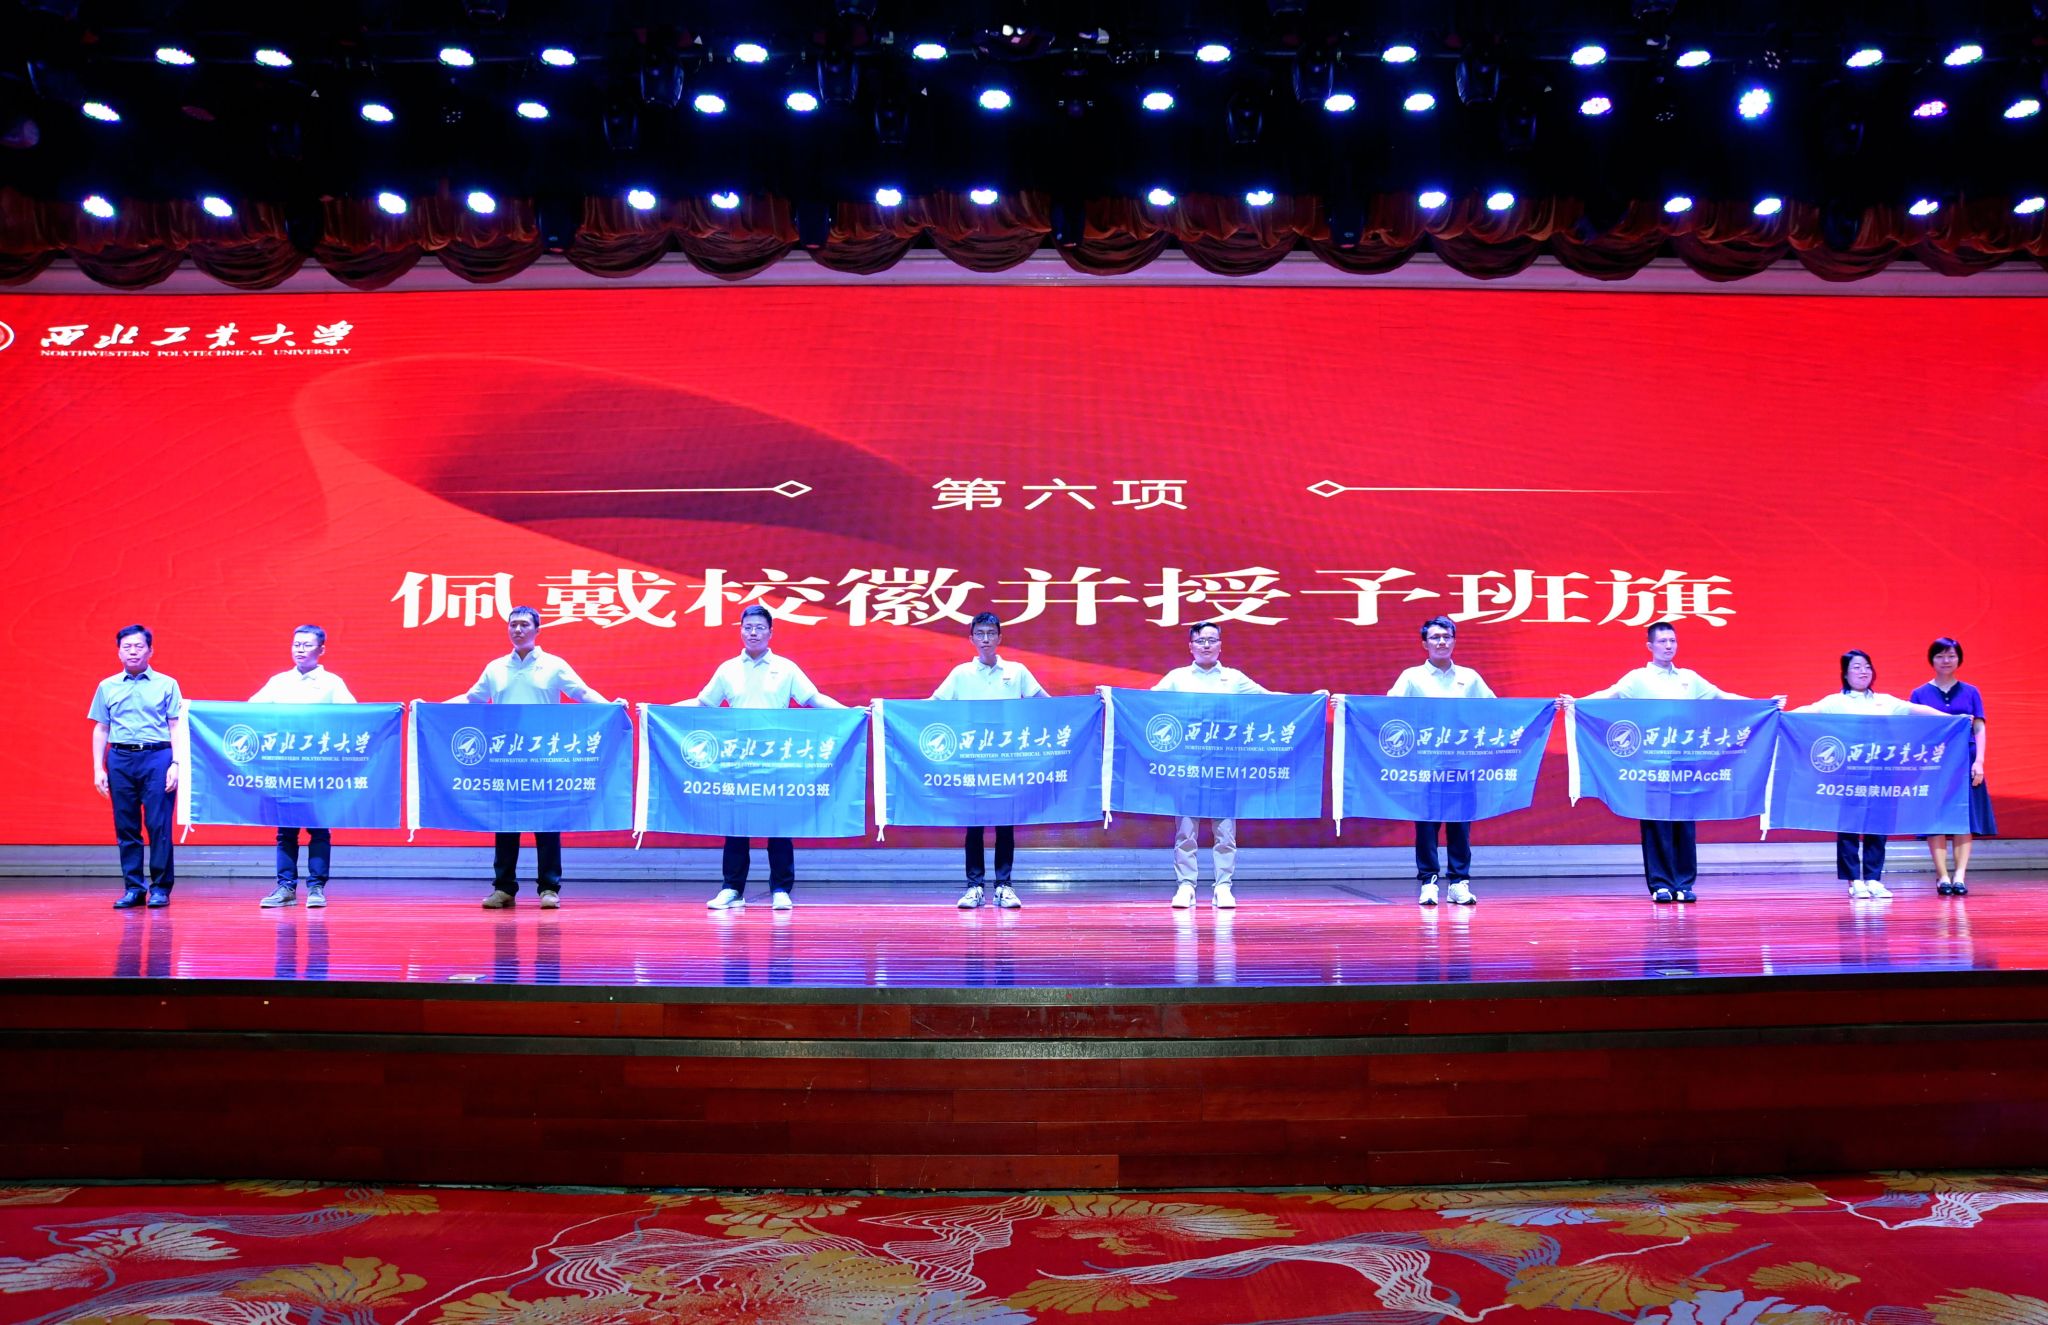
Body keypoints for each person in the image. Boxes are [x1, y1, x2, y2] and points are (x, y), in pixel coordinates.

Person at [1564, 621, 1783, 904]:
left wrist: (1765, 704)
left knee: (1684, 824)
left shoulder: (1689, 679)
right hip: (1652, 764)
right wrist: (1576, 703)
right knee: (1656, 824)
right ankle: (1660, 885)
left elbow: (1723, 698)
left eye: (1673, 641)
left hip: (1685, 763)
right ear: (1650, 646)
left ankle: (1684, 883)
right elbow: (1608, 696)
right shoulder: (1638, 679)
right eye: (1663, 641)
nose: (1669, 646)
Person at [684, 604, 850, 912]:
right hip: (739, 759)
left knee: (779, 827)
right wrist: (658, 710)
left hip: (776, 759)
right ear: (740, 631)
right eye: (748, 627)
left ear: (770, 632)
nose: (753, 633)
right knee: (736, 826)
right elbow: (703, 703)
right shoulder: (728, 669)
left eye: (760, 627)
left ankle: (781, 890)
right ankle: (732, 889)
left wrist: (850, 712)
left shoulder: (786, 668)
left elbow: (813, 699)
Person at [453, 606, 621, 910]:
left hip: (544, 758)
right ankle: (504, 888)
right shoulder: (496, 667)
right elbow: (471, 698)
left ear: (537, 630)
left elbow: (582, 693)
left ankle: (549, 888)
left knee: (547, 823)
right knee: (505, 824)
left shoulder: (553, 665)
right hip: (506, 757)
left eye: (524, 625)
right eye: (513, 625)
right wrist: (429, 707)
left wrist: (611, 706)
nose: (517, 630)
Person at [1792, 650, 1951, 900]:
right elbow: (1807, 712)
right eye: (1856, 667)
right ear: (1845, 674)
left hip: (1881, 772)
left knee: (1878, 824)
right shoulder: (1836, 702)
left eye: (1867, 666)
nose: (1863, 671)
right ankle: (1854, 880)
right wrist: (1777, 715)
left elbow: (1916, 710)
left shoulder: (1884, 701)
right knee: (1849, 827)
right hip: (1850, 774)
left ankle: (1874, 879)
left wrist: (1953, 719)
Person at [932, 611, 1047, 910]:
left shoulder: (1017, 671)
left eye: (991, 633)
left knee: (1005, 825)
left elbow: (1047, 705)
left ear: (1000, 637)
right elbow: (931, 709)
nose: (986, 639)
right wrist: (888, 711)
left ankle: (1004, 886)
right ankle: (974, 887)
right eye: (980, 634)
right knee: (974, 826)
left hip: (1007, 761)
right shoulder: (960, 674)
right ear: (971, 638)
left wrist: (1089, 705)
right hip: (972, 761)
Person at [1154, 621, 1269, 910]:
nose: (1206, 645)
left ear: (1220, 645)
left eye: (1212, 640)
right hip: (1187, 763)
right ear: (1190, 646)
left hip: (1224, 763)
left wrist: (1311, 699)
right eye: (1200, 640)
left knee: (1225, 829)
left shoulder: (1234, 679)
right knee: (1185, 829)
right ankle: (1186, 886)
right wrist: (1111, 696)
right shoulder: (1177, 678)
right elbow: (1145, 701)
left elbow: (1269, 701)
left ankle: (1223, 886)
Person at [1388, 614, 1496, 906]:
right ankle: (1429, 882)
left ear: (1454, 641)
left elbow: (1494, 710)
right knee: (1426, 824)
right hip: (1425, 762)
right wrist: (1349, 705)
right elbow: (1388, 709)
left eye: (1447, 637)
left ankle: (1459, 882)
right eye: (1435, 637)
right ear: (1424, 644)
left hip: (1461, 762)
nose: (1441, 642)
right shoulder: (1412, 677)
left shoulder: (1469, 678)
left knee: (1460, 824)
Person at [251, 624, 357, 909]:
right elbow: (250, 710)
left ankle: (316, 888)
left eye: (307, 645)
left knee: (319, 829)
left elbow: (355, 716)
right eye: (296, 644)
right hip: (284, 768)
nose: (299, 649)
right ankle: (285, 888)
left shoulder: (332, 683)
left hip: (318, 769)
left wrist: (385, 714)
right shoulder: (279, 682)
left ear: (321, 649)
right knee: (286, 831)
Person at [89, 624, 183, 909]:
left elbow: (176, 726)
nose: (133, 651)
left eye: (139, 646)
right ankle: (133, 888)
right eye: (127, 647)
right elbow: (101, 728)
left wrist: (176, 763)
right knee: (126, 826)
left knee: (158, 825)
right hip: (120, 759)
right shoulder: (107, 686)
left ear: (150, 651)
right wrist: (98, 768)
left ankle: (160, 888)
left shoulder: (167, 684)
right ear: (119, 652)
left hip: (157, 757)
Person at [1911, 636, 1994, 895]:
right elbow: (1915, 732)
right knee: (1936, 818)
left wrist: (1979, 761)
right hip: (1934, 764)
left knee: (1963, 818)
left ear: (1959, 659)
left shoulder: (1971, 692)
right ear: (1931, 660)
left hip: (1965, 760)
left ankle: (1959, 876)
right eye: (1940, 656)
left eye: (1951, 655)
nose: (1946, 660)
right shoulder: (1919, 694)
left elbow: (1979, 728)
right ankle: (1942, 876)